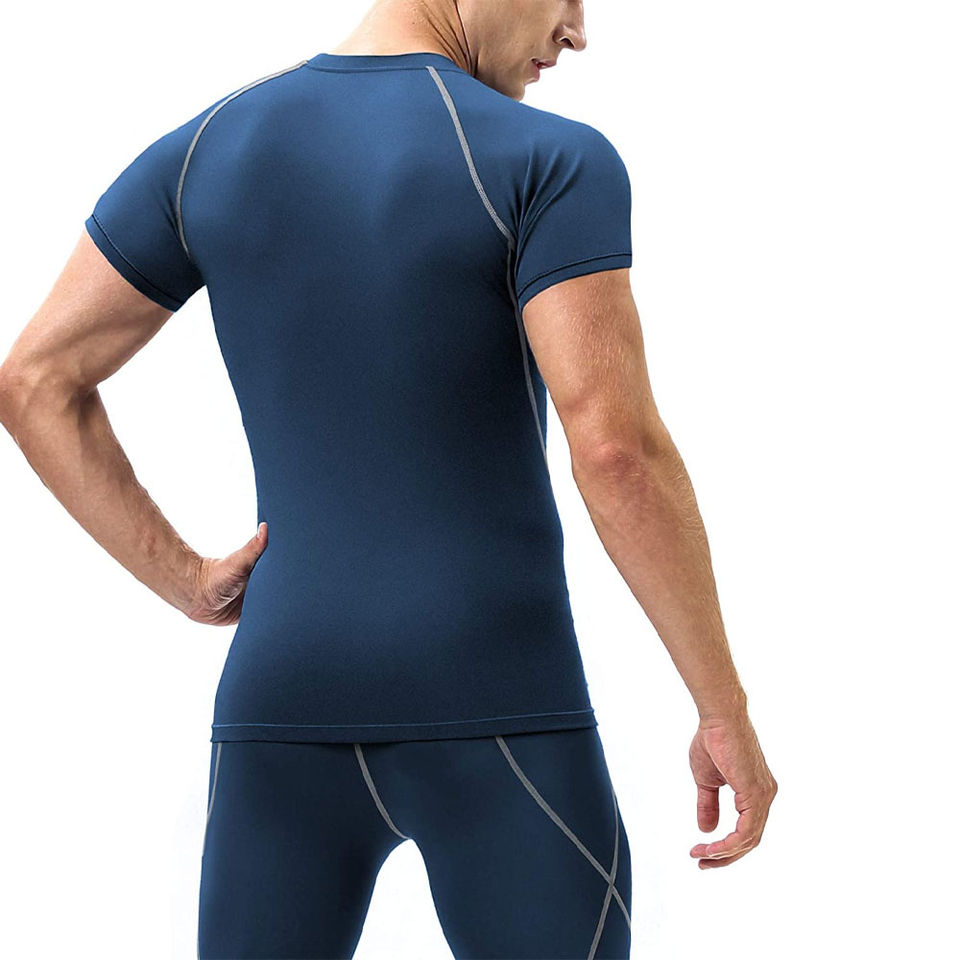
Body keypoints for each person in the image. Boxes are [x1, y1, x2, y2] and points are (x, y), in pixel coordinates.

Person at [0, 1, 777, 957]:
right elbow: (618, 454)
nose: (578, 30)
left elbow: (35, 381)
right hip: (499, 697)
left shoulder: (208, 150)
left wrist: (189, 581)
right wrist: (723, 706)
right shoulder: (547, 159)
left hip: (282, 700)